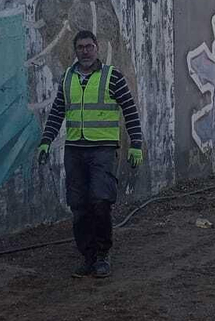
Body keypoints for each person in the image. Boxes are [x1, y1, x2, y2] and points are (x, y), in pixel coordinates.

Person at [37, 30, 143, 278]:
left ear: (97, 48)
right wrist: (45, 141)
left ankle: (103, 254)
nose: (85, 51)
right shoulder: (67, 79)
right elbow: (56, 113)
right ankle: (88, 256)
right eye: (80, 47)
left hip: (103, 150)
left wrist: (136, 143)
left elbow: (130, 110)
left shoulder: (112, 77)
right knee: (78, 206)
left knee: (100, 201)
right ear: (75, 51)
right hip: (75, 151)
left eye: (89, 46)